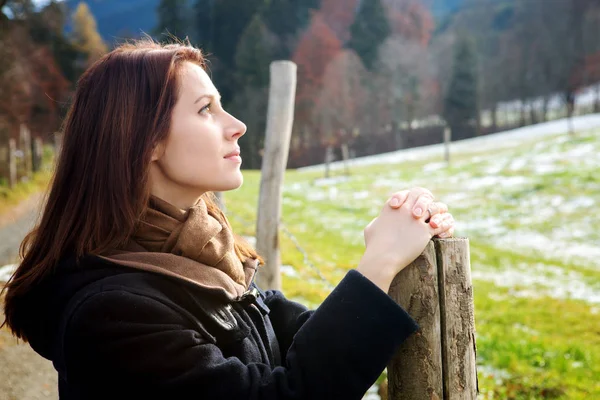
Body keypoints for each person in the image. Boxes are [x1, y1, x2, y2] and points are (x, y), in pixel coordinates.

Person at [1, 40, 455, 400]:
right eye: (205, 110)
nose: (236, 124)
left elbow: (302, 343)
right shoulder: (109, 316)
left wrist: (394, 251)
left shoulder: (198, 253)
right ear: (145, 141)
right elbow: (292, 392)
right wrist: (378, 263)